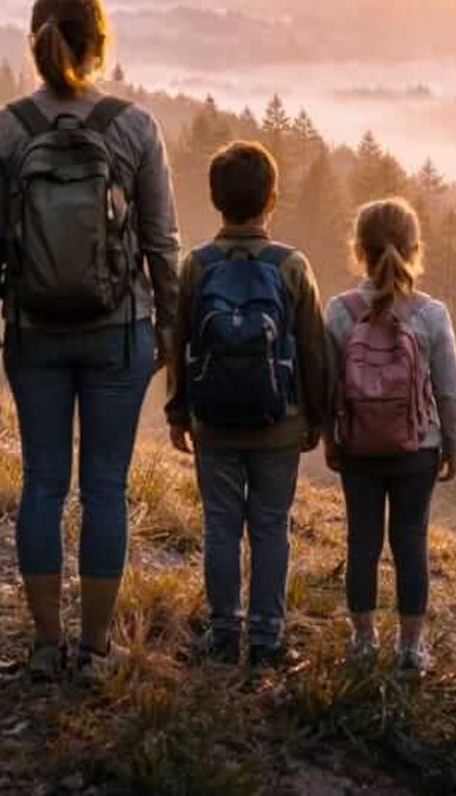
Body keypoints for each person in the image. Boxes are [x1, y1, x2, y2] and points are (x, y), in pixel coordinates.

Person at [0, 0, 180, 682]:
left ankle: (42, 644)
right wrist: (171, 330)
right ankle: (94, 651)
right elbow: (162, 242)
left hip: (32, 328)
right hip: (118, 330)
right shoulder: (135, 127)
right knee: (104, 488)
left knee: (41, 483)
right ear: (100, 44)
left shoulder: (5, 129)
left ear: (35, 40)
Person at [164, 141, 330, 671]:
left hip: (213, 422)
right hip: (279, 423)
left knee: (219, 526)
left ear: (215, 199)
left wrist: (177, 411)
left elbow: (179, 341)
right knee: (270, 526)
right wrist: (316, 417)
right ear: (272, 200)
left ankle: (220, 633)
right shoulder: (292, 266)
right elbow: (313, 349)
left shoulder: (197, 264)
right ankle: (266, 639)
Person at [325, 197, 456, 674]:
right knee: (410, 542)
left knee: (362, 541)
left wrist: (331, 440)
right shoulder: (432, 314)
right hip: (417, 448)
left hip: (358, 447)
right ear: (415, 249)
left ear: (358, 250)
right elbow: (449, 389)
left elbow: (328, 388)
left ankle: (363, 643)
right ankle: (410, 649)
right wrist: (452, 444)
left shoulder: (339, 311)